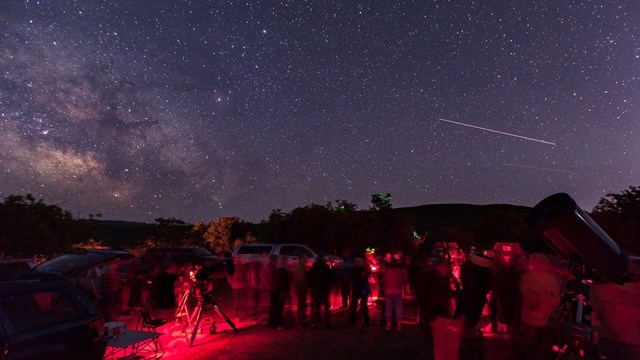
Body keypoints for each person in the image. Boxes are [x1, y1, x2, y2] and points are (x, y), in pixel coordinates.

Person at [308, 256, 332, 328]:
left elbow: (310, 278)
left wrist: (311, 287)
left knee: (317, 307)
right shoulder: (326, 268)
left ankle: (316, 323)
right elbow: (330, 277)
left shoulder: (313, 268)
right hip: (324, 289)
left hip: (316, 289)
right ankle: (326, 323)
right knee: (326, 307)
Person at [383, 257, 406, 330]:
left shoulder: (386, 271)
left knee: (389, 307)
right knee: (398, 307)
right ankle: (398, 324)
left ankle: (388, 324)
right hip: (398, 290)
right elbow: (404, 280)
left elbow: (384, 281)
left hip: (388, 290)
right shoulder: (400, 272)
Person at [349, 257, 370, 326]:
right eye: (358, 261)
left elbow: (366, 278)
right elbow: (354, 279)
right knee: (355, 304)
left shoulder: (363, 269)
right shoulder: (355, 270)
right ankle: (353, 320)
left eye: (360, 261)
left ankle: (365, 320)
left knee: (363, 304)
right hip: (358, 288)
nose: (359, 263)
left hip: (362, 288)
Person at [293, 255, 309, 328]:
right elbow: (303, 278)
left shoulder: (300, 266)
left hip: (300, 287)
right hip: (301, 288)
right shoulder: (301, 267)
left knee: (301, 305)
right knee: (302, 305)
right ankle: (300, 322)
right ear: (302, 258)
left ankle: (300, 321)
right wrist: (306, 286)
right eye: (305, 258)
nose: (307, 259)